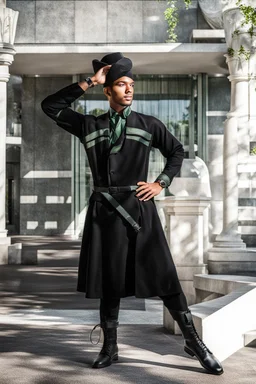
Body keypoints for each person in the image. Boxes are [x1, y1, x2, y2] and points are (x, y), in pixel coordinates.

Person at [41, 52, 223, 375]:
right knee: (110, 283)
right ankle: (110, 347)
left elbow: (176, 151)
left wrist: (160, 183)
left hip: (141, 212)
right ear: (107, 90)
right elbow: (50, 107)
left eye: (131, 85)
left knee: (165, 277)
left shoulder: (148, 125)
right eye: (121, 84)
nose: (129, 90)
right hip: (105, 215)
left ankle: (193, 341)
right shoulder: (89, 125)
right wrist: (90, 81)